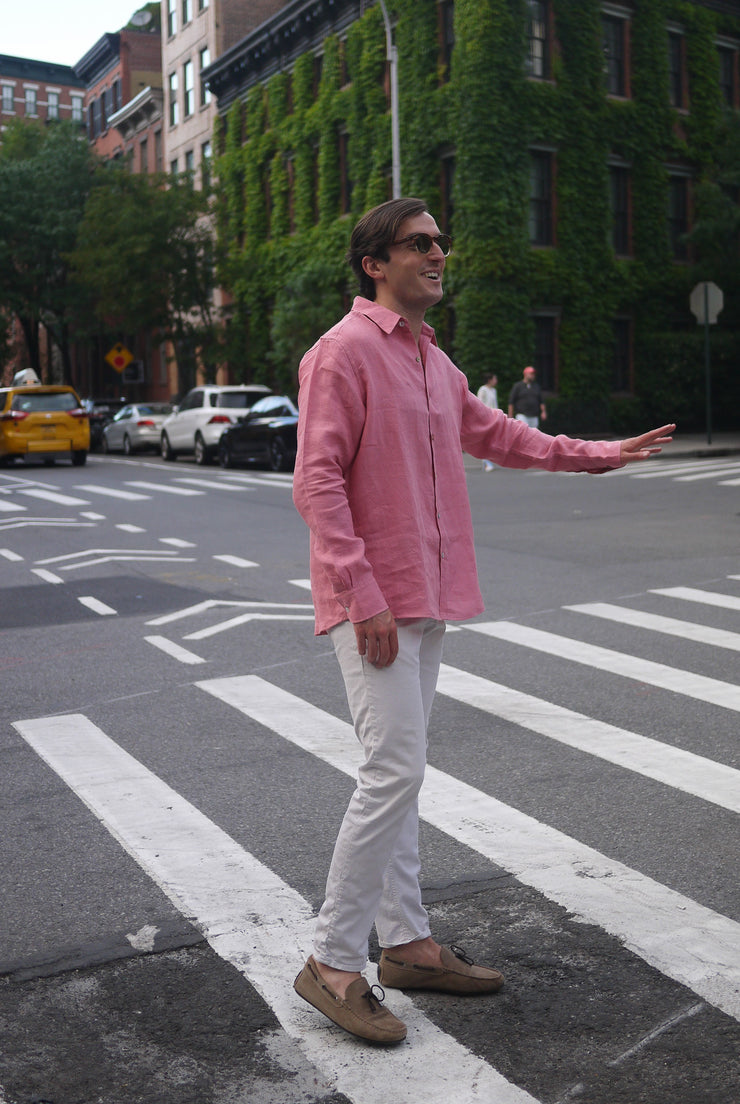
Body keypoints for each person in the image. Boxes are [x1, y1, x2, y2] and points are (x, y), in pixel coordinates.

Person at [291, 196, 674, 1046]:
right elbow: (316, 484)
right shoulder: (343, 353)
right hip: (377, 605)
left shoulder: (433, 360)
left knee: (405, 771)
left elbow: (502, 437)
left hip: (429, 595)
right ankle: (332, 960)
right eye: (419, 243)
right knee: (391, 770)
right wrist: (363, 595)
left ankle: (408, 945)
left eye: (440, 244)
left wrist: (604, 453)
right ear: (374, 263)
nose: (438, 254)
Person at [476, 373, 498, 470]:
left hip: (493, 417)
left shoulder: (494, 390)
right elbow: (479, 403)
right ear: (489, 380)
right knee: (486, 440)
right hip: (484, 418)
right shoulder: (482, 389)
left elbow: (495, 404)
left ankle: (487, 460)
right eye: (494, 378)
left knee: (492, 440)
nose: (496, 381)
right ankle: (486, 462)